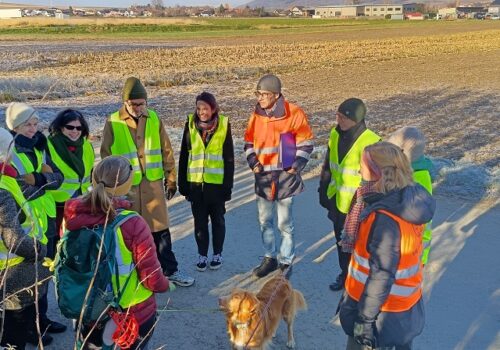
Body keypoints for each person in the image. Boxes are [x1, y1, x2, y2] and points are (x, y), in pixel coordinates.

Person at [63, 155, 169, 349]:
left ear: (94, 179)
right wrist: (165, 285)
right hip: (128, 310)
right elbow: (150, 276)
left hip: (85, 304)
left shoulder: (72, 214)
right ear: (127, 184)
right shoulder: (132, 222)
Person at [338, 142, 435, 350]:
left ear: (376, 173)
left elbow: (381, 274)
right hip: (403, 307)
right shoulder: (406, 200)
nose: (358, 170)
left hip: (380, 312)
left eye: (361, 166)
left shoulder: (384, 218)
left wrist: (365, 321)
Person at [101, 76, 194, 287]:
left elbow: (166, 150)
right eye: (133, 104)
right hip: (127, 189)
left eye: (141, 104)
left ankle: (171, 271)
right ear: (125, 102)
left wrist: (171, 178)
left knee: (160, 232)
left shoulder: (154, 118)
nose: (137, 108)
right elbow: (107, 156)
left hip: (152, 187)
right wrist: (110, 188)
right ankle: (136, 276)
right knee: (131, 234)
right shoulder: (113, 121)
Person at [6, 102, 67, 343]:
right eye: (26, 125)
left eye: (35, 123)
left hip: (45, 220)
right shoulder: (8, 150)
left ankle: (41, 319)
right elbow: (18, 190)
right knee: (25, 277)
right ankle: (30, 327)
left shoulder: (40, 145)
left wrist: (38, 179)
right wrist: (42, 181)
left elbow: (58, 179)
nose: (33, 129)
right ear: (14, 126)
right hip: (23, 222)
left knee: (44, 272)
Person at [244, 74, 314, 278]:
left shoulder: (294, 113)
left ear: (276, 95)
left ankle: (286, 261)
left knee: (285, 224)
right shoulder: (256, 116)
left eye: (264, 94)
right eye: (258, 94)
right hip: (263, 177)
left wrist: (297, 165)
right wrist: (253, 164)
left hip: (285, 178)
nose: (260, 98)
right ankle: (269, 258)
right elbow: (248, 142)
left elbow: (306, 142)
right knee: (265, 221)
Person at [318, 98, 380, 291]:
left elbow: (377, 178)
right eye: (338, 115)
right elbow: (329, 164)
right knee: (341, 243)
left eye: (344, 117)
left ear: (357, 119)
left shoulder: (371, 141)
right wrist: (323, 188)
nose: (340, 120)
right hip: (338, 201)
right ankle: (345, 275)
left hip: (360, 205)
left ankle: (359, 281)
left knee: (360, 247)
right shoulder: (335, 134)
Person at [0, 127, 52, 350]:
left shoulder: (7, 178)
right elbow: (14, 238)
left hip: (11, 271)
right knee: (14, 332)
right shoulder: (2, 187)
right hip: (13, 273)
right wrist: (40, 250)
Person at [178, 92, 234, 271]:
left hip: (216, 187)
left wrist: (228, 187)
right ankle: (202, 255)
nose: (202, 112)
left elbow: (229, 158)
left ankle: (217, 254)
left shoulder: (224, 125)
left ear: (213, 109)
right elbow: (184, 155)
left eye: (205, 108)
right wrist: (183, 184)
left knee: (218, 221)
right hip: (196, 186)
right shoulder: (191, 125)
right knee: (199, 223)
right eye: (199, 108)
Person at [387, 126, 433, 265]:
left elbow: (421, 224)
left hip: (409, 254)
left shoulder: (417, 181)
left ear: (402, 154)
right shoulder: (405, 171)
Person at [47, 108, 95, 238]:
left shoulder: (87, 146)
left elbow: (90, 175)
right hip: (58, 204)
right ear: (61, 128)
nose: (75, 131)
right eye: (70, 127)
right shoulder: (49, 145)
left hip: (82, 201)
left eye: (79, 128)